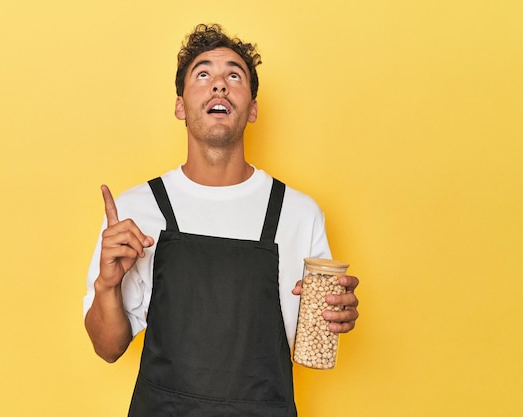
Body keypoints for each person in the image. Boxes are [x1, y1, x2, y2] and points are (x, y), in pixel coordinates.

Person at [83, 23, 360, 417]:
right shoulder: (136, 211)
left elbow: (309, 346)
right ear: (180, 105)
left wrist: (333, 315)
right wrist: (107, 285)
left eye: (234, 75)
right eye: (203, 74)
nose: (219, 85)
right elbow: (107, 348)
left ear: (252, 109)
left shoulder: (298, 213)